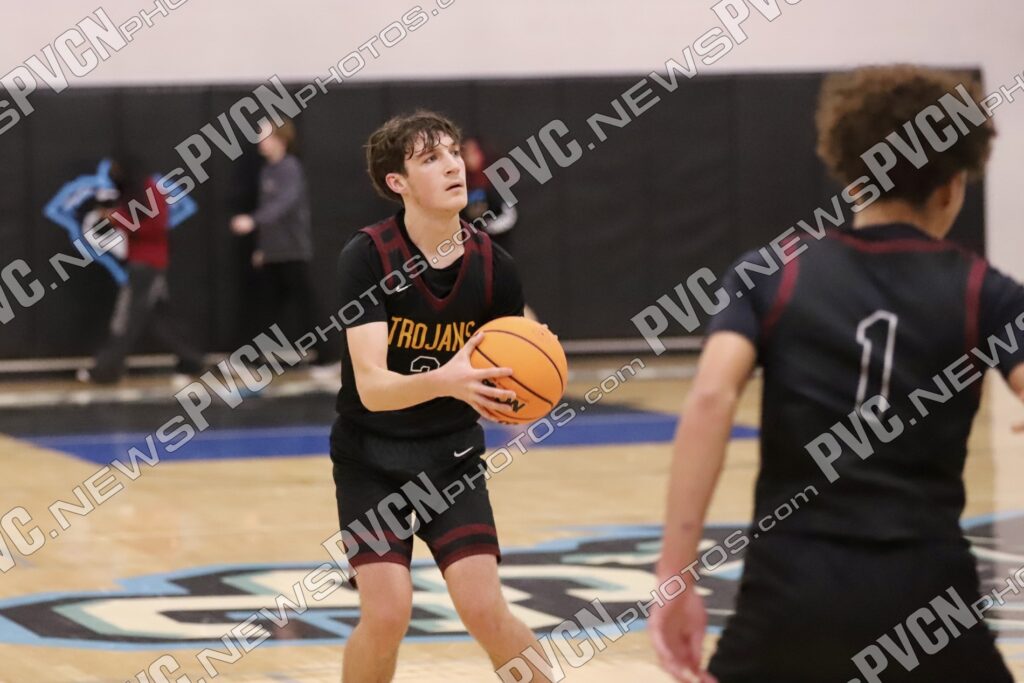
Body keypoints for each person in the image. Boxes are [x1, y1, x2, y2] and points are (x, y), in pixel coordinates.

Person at [651, 65, 1024, 682]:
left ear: (852, 178)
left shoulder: (772, 274)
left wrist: (676, 573)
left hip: (790, 590)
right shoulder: (987, 292)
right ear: (952, 187)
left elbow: (712, 398)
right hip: (927, 597)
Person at [330, 111, 551, 682]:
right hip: (370, 458)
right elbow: (372, 388)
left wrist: (519, 393)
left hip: (451, 458)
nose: (453, 165)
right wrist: (448, 380)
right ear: (397, 182)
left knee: (483, 608)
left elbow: (506, 374)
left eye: (453, 153)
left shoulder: (496, 268)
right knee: (387, 614)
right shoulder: (368, 257)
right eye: (431, 158)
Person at [77, 158, 205, 385]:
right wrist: (115, 218)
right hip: (146, 263)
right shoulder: (137, 192)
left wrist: (117, 220)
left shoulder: (150, 192)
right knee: (161, 318)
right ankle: (192, 360)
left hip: (146, 266)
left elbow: (155, 227)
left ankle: (105, 370)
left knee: (126, 319)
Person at [231, 119, 335, 369]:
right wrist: (262, 248)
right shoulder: (267, 171)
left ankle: (330, 356)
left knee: (307, 307)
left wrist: (252, 221)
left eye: (265, 136)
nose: (260, 141)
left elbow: (282, 205)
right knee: (263, 309)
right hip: (272, 254)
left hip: (293, 252)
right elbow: (269, 209)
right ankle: (249, 358)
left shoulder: (290, 168)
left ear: (281, 139)